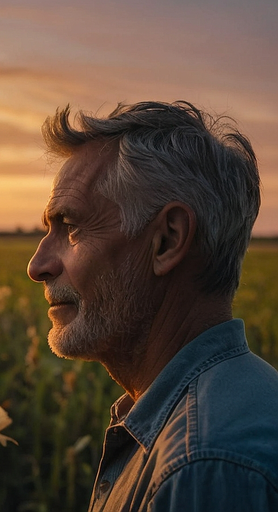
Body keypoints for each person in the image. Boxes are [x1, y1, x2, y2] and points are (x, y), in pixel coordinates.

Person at [27, 100, 278, 511]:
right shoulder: (221, 411)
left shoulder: (202, 467)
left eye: (70, 228)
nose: (37, 266)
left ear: (167, 240)